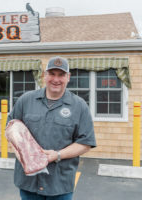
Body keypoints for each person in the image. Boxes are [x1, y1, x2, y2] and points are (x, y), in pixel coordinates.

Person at [7, 56, 96, 200]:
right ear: (44, 75)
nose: (56, 79)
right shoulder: (26, 100)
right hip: (28, 182)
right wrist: (21, 152)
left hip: (59, 184)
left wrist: (58, 155)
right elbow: (11, 129)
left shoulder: (79, 106)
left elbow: (85, 143)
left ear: (68, 77)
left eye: (61, 75)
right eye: (52, 74)